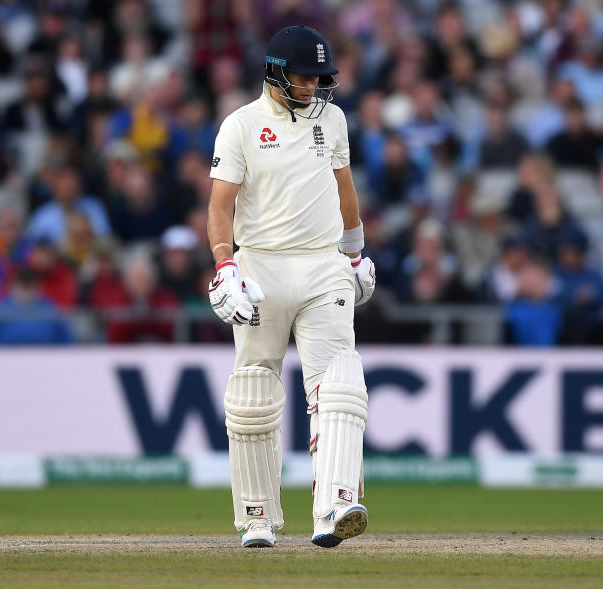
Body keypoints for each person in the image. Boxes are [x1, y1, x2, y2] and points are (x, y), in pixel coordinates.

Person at [206, 25, 376, 549]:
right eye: (306, 78)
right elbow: (220, 206)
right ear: (276, 74)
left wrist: (355, 252)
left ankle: (335, 506)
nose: (315, 88)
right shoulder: (241, 125)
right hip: (262, 268)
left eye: (321, 78)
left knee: (339, 382)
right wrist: (225, 266)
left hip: (324, 264)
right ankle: (258, 518)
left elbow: (344, 190)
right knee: (254, 389)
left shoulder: (333, 118)